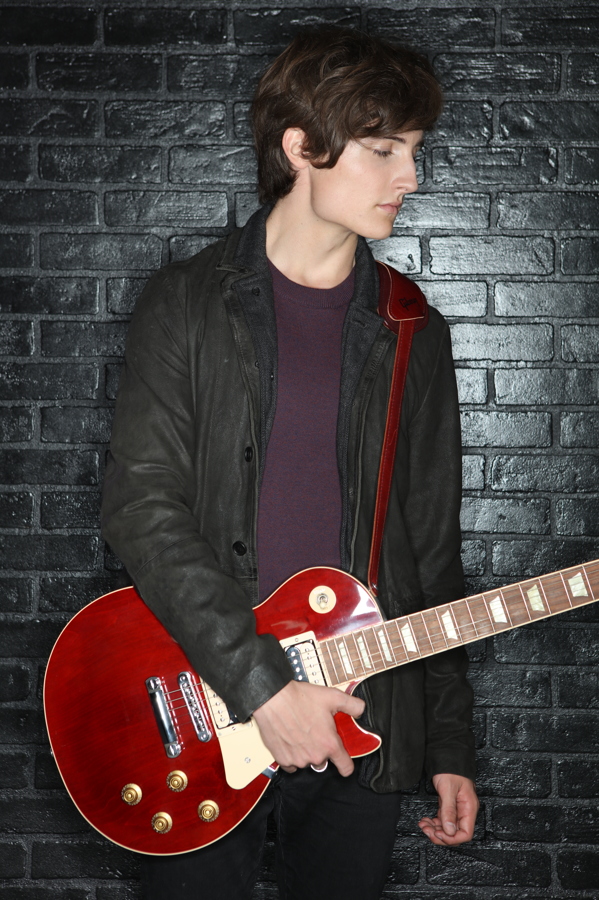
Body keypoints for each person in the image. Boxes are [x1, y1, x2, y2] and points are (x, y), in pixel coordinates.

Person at [101, 25, 478, 900]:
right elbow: (142, 509)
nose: (410, 178)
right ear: (300, 147)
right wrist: (265, 687)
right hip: (196, 706)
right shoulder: (186, 303)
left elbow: (429, 550)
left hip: (362, 717)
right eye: (385, 150)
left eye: (414, 151)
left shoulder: (413, 330)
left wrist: (449, 745)